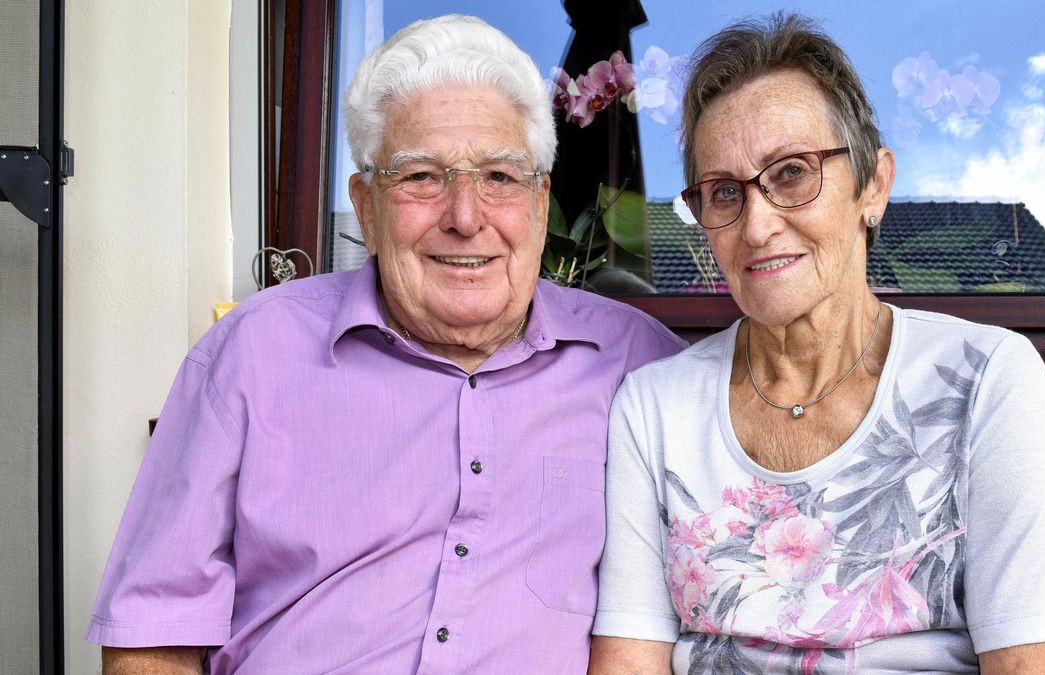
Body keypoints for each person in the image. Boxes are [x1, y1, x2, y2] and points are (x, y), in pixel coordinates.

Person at [89, 15, 684, 674]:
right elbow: (152, 642)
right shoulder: (249, 356)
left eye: (499, 176)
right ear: (366, 206)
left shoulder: (640, 366)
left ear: (542, 204)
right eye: (422, 177)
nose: (465, 216)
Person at [589, 13, 1045, 675]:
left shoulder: (985, 379)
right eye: (724, 193)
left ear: (873, 185)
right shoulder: (654, 407)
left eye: (792, 173)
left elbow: (1038, 663)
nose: (759, 223)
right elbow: (630, 662)